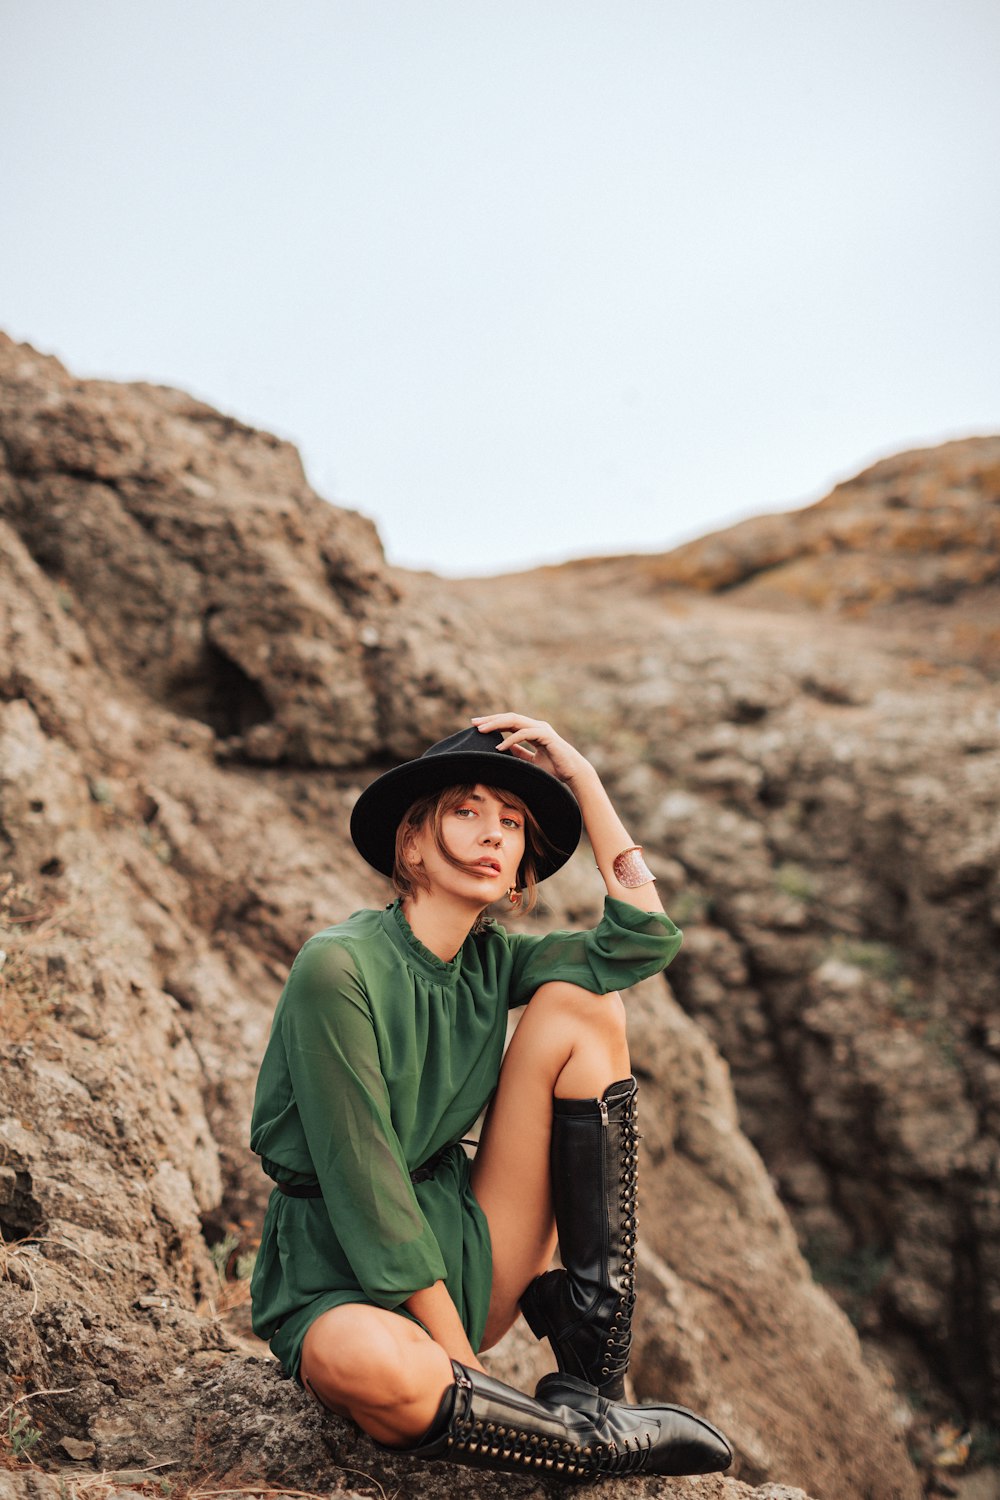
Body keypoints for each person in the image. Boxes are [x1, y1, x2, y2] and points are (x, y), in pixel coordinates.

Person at [249, 712, 732, 1481]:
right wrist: (463, 1365)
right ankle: (584, 1443)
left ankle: (593, 1370)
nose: (492, 834)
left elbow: (642, 941)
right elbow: (366, 1189)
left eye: (511, 824)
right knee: (384, 1370)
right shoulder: (337, 968)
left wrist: (585, 780)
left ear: (518, 872)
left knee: (585, 1006)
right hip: (339, 1274)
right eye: (466, 811)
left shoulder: (492, 961)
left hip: (469, 1248)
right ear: (412, 841)